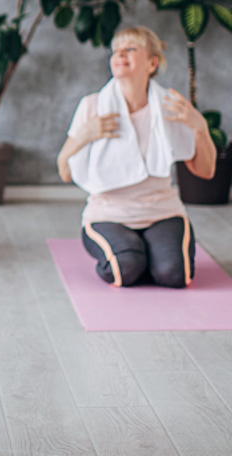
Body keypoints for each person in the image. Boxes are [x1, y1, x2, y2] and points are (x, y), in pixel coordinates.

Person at [57, 26, 216, 288]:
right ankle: (135, 254)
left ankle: (145, 253)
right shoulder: (92, 106)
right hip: (108, 214)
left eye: (130, 48)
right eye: (116, 50)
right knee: (125, 270)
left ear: (152, 63)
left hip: (162, 212)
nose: (120, 54)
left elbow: (205, 171)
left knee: (175, 276)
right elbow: (64, 170)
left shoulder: (171, 106)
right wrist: (84, 135)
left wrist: (200, 127)